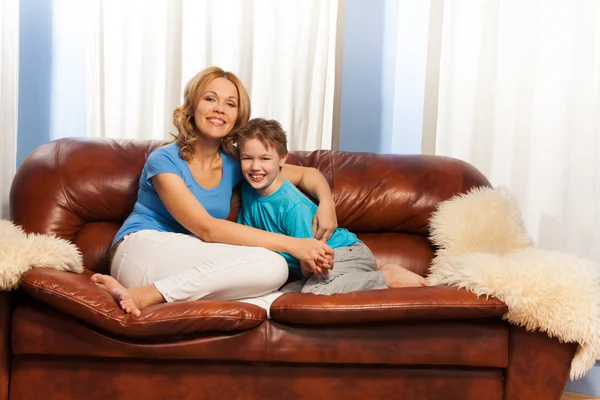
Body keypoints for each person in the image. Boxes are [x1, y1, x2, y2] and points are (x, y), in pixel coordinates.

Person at [91, 66, 337, 317]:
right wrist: (296, 245)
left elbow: (309, 174)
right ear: (192, 106)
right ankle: (145, 294)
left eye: (230, 104)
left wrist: (327, 203)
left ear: (237, 116)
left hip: (189, 265)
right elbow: (207, 229)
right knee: (274, 264)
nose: (220, 109)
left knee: (277, 285)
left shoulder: (236, 163)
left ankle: (152, 294)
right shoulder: (164, 160)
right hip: (140, 251)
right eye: (210, 99)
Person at [235, 118, 428, 295]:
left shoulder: (292, 205)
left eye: (265, 158)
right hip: (313, 270)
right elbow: (246, 239)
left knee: (314, 292)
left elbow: (307, 259)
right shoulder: (248, 191)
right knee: (280, 295)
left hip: (345, 254)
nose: (255, 167)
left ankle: (386, 276)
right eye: (247, 158)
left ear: (283, 159)